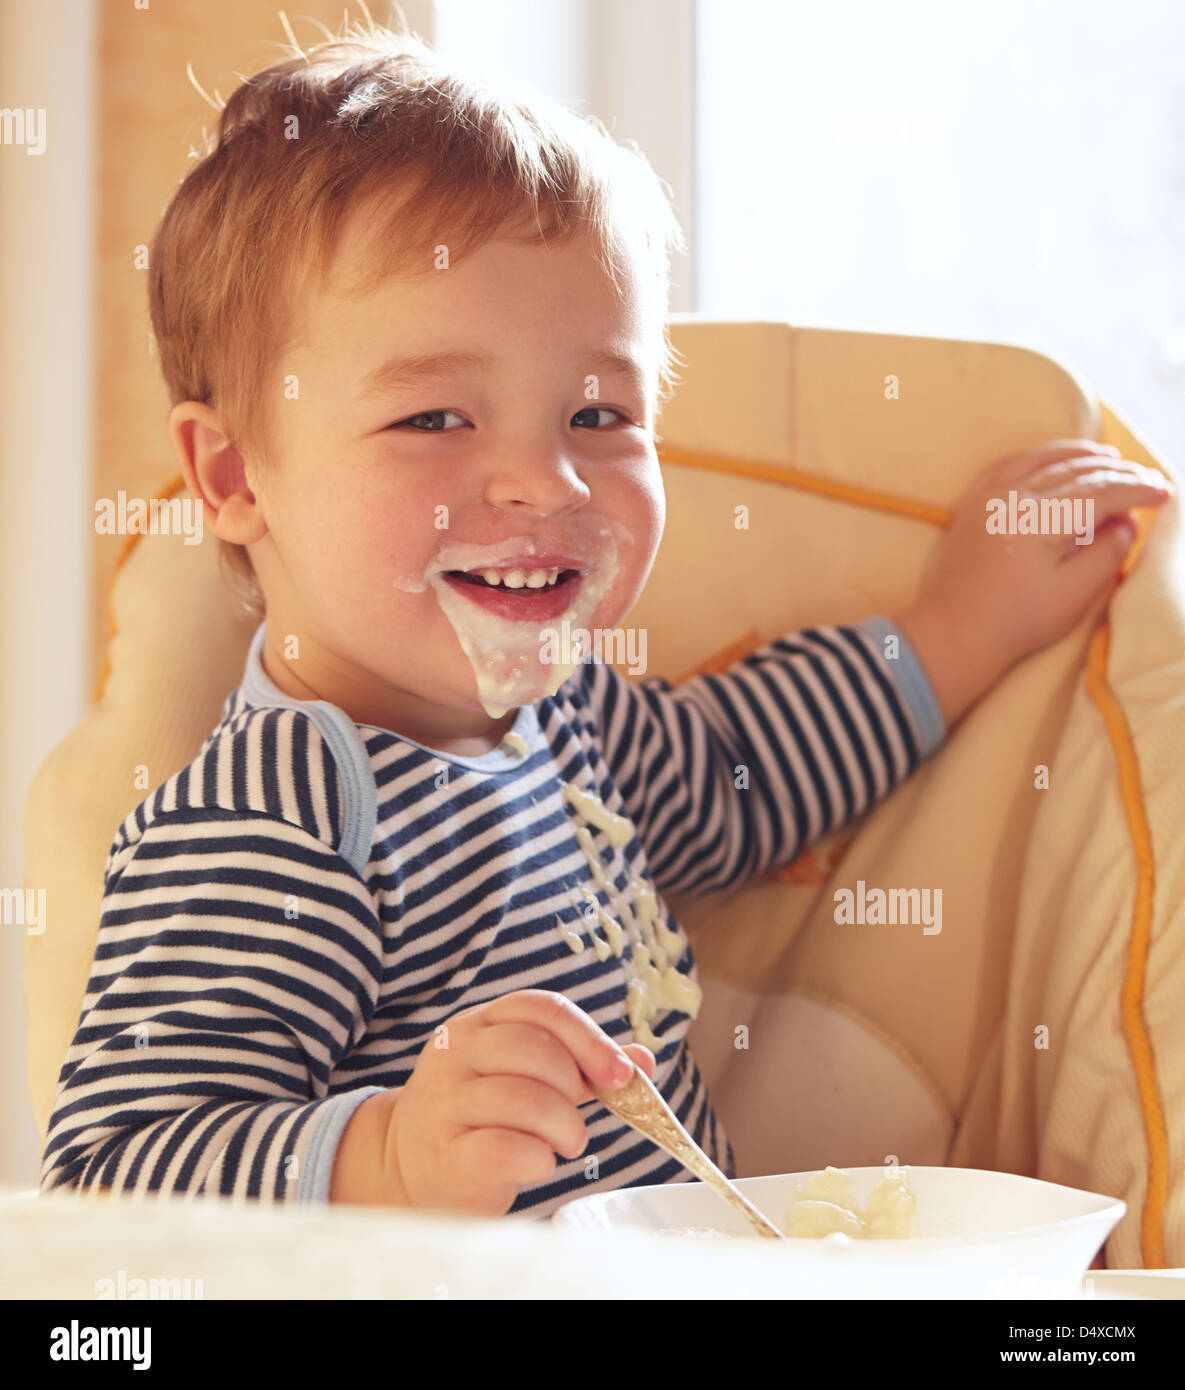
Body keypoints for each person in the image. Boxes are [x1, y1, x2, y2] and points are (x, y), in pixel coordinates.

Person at [40, 19, 1171, 1220]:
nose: (548, 484)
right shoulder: (283, 808)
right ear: (230, 479)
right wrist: (387, 1156)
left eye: (598, 416)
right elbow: (117, 1171)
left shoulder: (562, 715)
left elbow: (743, 775)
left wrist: (964, 626)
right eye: (434, 419)